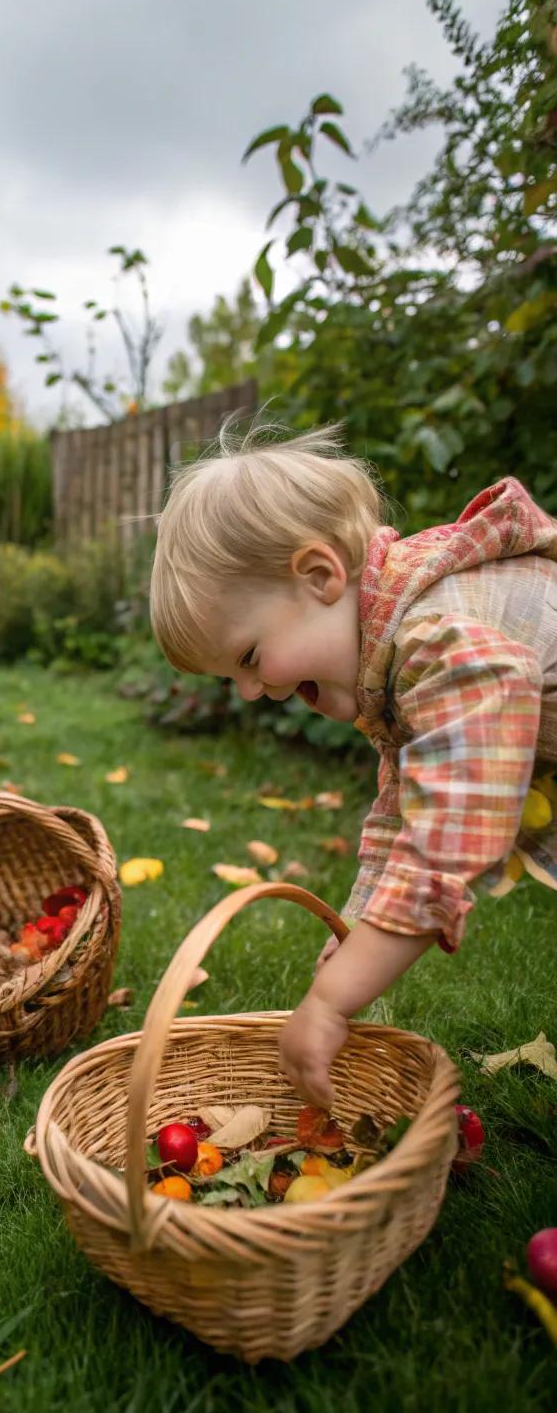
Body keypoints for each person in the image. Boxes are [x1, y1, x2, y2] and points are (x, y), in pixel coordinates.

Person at [150, 425, 557, 1107]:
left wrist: (333, 1002)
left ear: (319, 576)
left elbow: (447, 837)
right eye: (234, 677)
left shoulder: (435, 637)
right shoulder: (398, 650)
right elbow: (405, 812)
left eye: (249, 658)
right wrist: (358, 931)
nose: (253, 691)